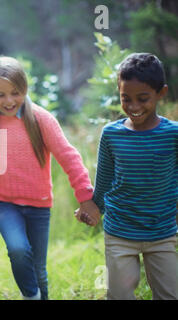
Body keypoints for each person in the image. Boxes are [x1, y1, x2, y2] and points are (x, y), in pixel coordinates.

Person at [0, 56, 100, 300]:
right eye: (0, 95)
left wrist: (85, 196)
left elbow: (68, 157)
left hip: (39, 205)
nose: (9, 100)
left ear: (24, 89)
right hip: (3, 202)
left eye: (15, 93)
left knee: (38, 269)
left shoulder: (42, 119)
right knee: (18, 249)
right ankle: (31, 296)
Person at [92, 53, 177, 300]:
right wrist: (93, 207)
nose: (133, 107)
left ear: (161, 93)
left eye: (143, 99)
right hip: (120, 230)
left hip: (162, 232)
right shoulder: (111, 134)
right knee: (118, 295)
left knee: (169, 294)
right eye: (125, 99)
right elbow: (105, 178)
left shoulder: (173, 134)